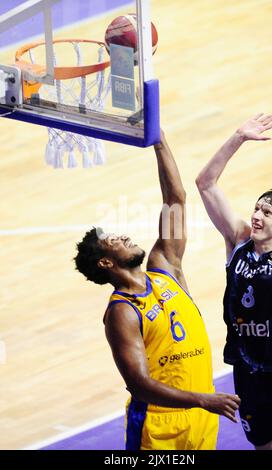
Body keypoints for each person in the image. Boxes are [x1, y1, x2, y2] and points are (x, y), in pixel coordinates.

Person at [74, 131, 240, 450]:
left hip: (201, 416)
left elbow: (175, 201)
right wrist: (203, 399)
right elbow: (140, 386)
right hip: (158, 426)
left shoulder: (165, 266)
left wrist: (158, 140)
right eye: (112, 241)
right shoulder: (121, 312)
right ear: (106, 263)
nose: (122, 236)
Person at [195, 113, 272, 450]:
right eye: (257, 208)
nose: (256, 216)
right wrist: (238, 137)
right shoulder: (238, 240)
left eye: (267, 213)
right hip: (250, 369)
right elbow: (205, 184)